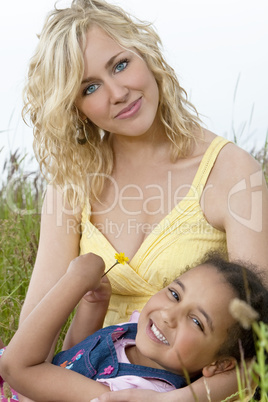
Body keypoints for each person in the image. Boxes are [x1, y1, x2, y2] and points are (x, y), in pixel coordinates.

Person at [15, 0, 268, 400]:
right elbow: (31, 344)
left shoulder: (232, 172)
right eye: (90, 87)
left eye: (120, 64)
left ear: (146, 55)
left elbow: (261, 341)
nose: (118, 93)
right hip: (80, 384)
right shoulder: (71, 185)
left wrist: (172, 400)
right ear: (76, 109)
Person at [1, 252, 267, 402]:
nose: (168, 315)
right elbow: (70, 360)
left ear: (220, 365)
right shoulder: (140, 334)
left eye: (196, 321)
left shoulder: (132, 393)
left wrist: (76, 280)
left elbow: (17, 367)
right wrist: (95, 305)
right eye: (175, 294)